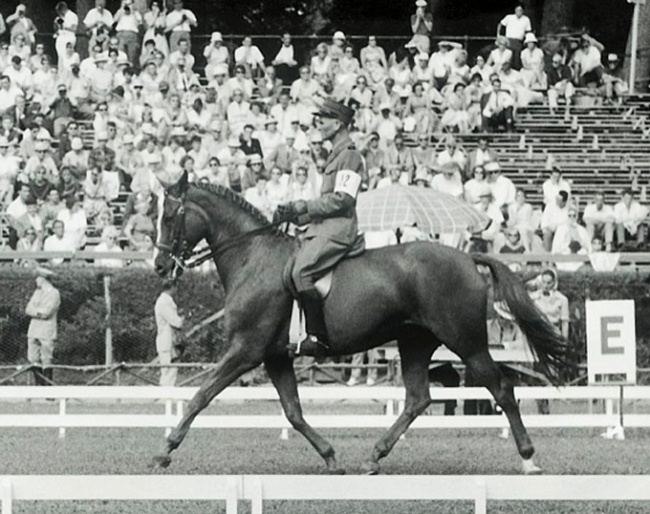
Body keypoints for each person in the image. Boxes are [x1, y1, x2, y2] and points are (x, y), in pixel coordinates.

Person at [274, 99, 365, 357]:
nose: (320, 124)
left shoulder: (350, 155)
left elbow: (344, 200)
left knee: (302, 271)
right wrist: (295, 215)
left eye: (324, 120)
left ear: (338, 124)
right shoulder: (335, 154)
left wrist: (304, 205)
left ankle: (319, 338)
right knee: (291, 268)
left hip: (339, 229)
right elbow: (324, 205)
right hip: (324, 226)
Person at [25, 267, 61, 386]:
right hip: (33, 329)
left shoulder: (54, 294)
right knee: (33, 358)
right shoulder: (37, 293)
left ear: (43, 279)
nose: (36, 280)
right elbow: (28, 309)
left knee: (46, 359)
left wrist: (36, 311)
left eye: (38, 277)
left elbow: (47, 312)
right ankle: (38, 386)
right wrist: (38, 311)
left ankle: (47, 388)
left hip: (46, 331)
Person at [154, 280, 184, 387]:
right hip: (167, 343)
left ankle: (167, 398)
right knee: (168, 372)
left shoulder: (166, 301)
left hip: (170, 343)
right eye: (175, 287)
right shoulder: (163, 302)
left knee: (171, 372)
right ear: (172, 287)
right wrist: (182, 319)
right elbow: (176, 322)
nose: (176, 290)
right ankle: (165, 398)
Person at [496, 4, 531, 70]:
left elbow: (528, 31)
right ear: (515, 10)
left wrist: (526, 40)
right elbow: (500, 24)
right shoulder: (509, 17)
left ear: (523, 11)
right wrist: (498, 34)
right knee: (507, 59)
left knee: (517, 60)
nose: (519, 12)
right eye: (517, 10)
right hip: (508, 41)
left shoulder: (526, 19)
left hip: (518, 42)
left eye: (520, 10)